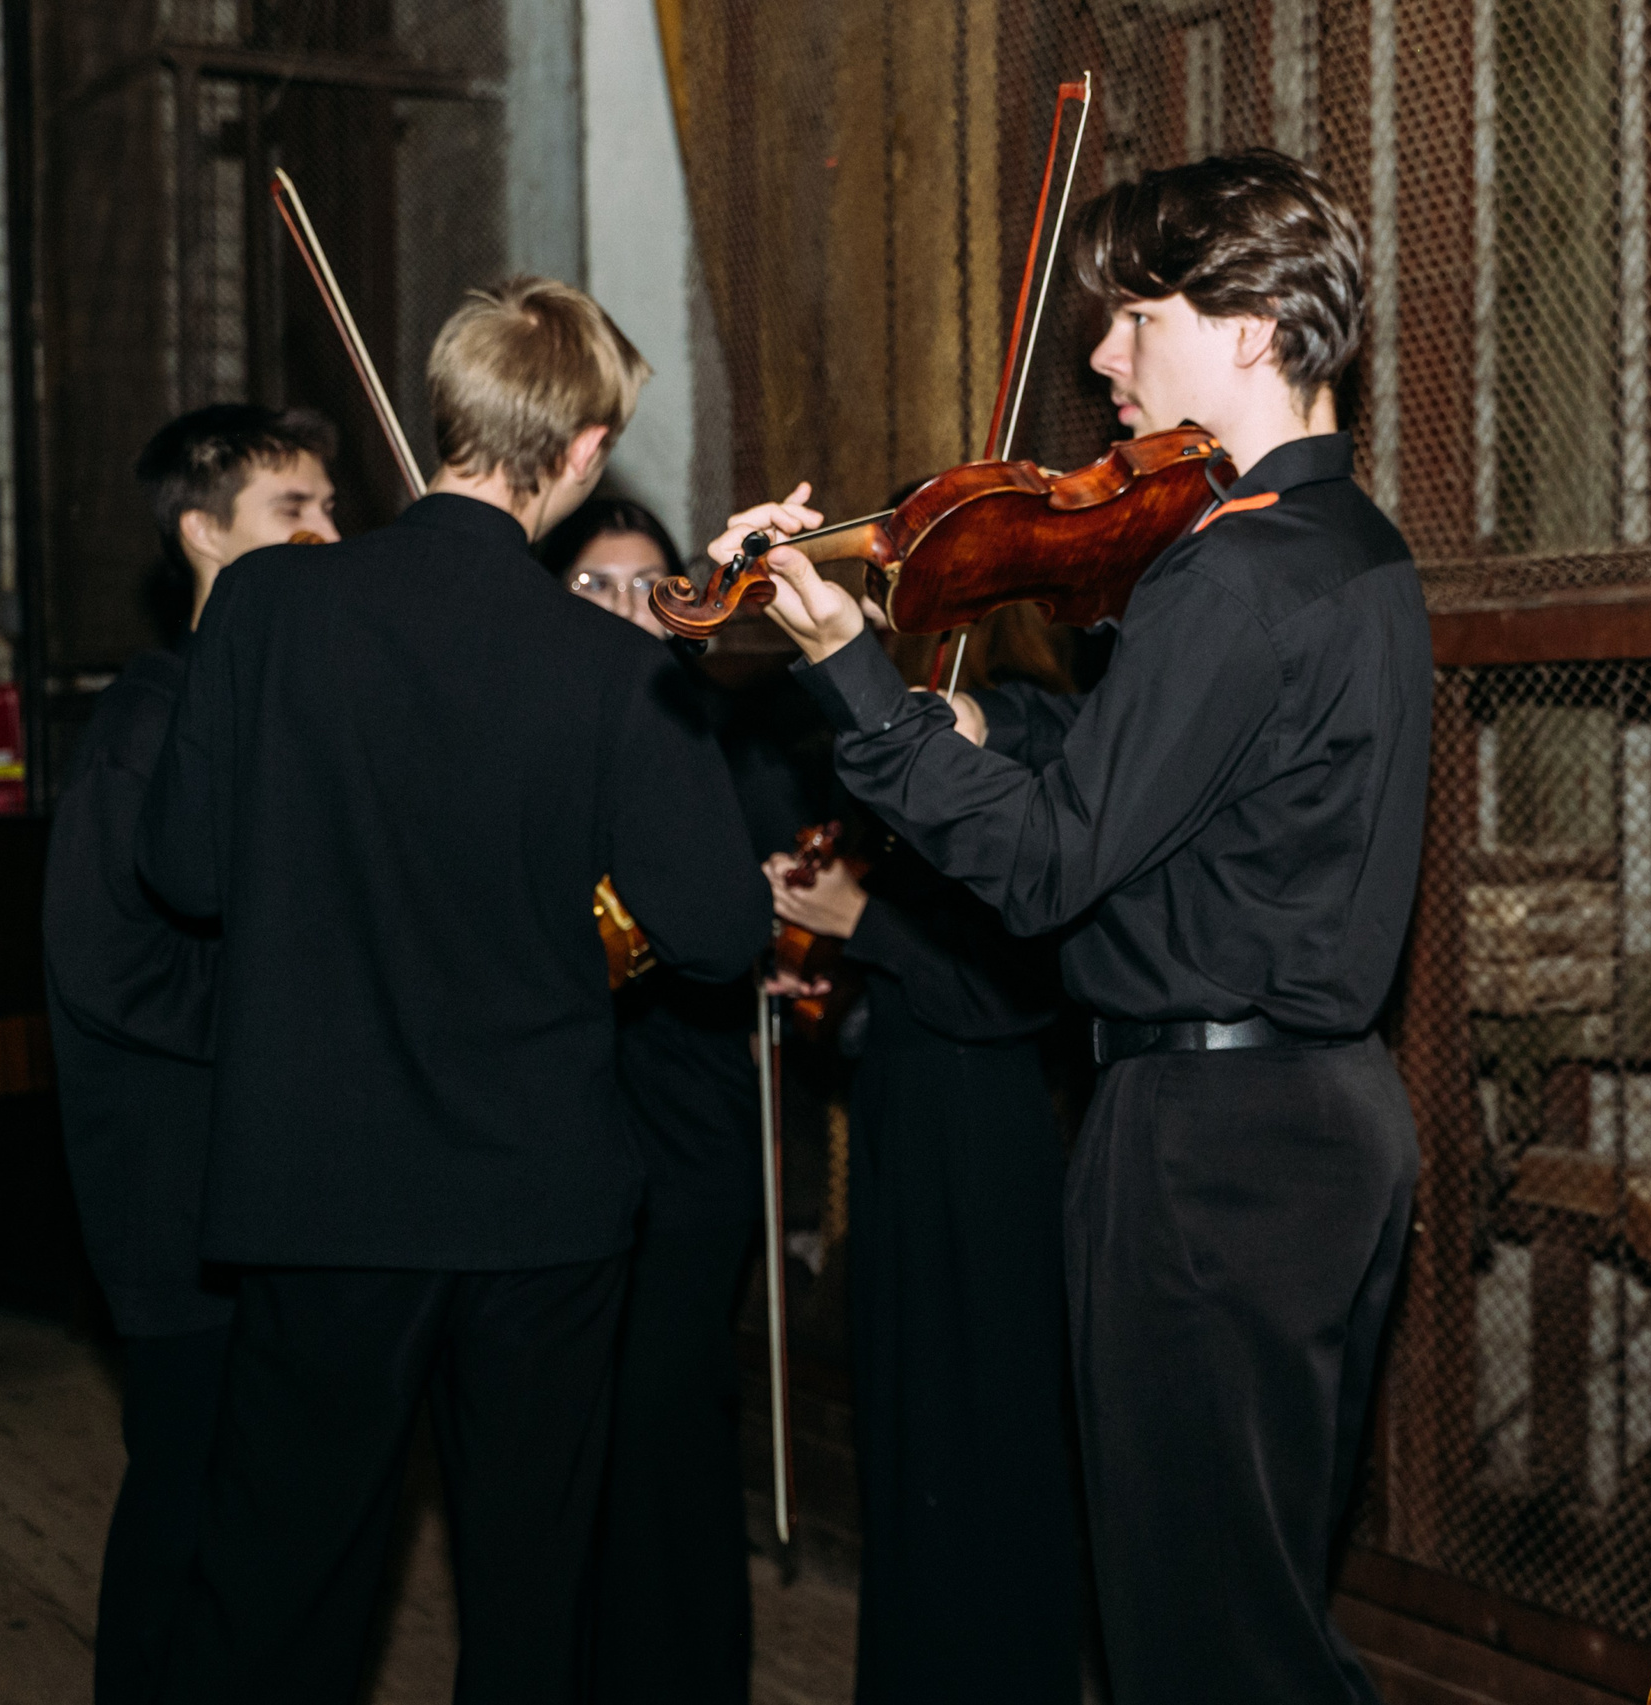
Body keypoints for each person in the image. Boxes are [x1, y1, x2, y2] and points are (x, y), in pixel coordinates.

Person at [721, 148, 1431, 1702]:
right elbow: (1191, 815)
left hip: (1206, 1141)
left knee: (1205, 1643)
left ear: (1249, 326)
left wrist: (850, 665)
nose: (1103, 359)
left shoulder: (1228, 577)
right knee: (1251, 1604)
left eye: (1136, 319)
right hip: (1320, 1121)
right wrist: (993, 740)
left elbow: (1048, 875)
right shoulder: (1353, 549)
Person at [137, 279, 770, 1705]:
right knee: (529, 1606)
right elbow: (724, 932)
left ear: (449, 416)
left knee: (275, 1590)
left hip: (317, 1189)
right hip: (534, 1205)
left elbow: (184, 870)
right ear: (589, 448)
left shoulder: (266, 605)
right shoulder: (611, 666)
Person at [43, 402, 338, 1705]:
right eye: (296, 509)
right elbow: (108, 965)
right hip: (180, 1195)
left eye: (333, 504)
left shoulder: (277, 706)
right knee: (184, 1506)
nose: (332, 531)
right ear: (201, 532)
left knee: (264, 1519)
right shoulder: (151, 723)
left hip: (267, 1184)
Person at [760, 614, 1083, 1705]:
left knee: (983, 1433)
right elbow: (902, 982)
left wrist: (859, 924)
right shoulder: (908, 739)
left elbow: (1009, 990)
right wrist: (824, 986)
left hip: (987, 1134)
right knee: (907, 1428)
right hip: (906, 1114)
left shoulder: (1029, 739)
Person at [540, 494, 807, 1704]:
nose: (623, 609)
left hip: (692, 1139)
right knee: (568, 1432)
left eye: (646, 586)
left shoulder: (721, 732)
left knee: (672, 1418)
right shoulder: (522, 735)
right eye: (592, 587)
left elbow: (760, 894)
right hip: (558, 1138)